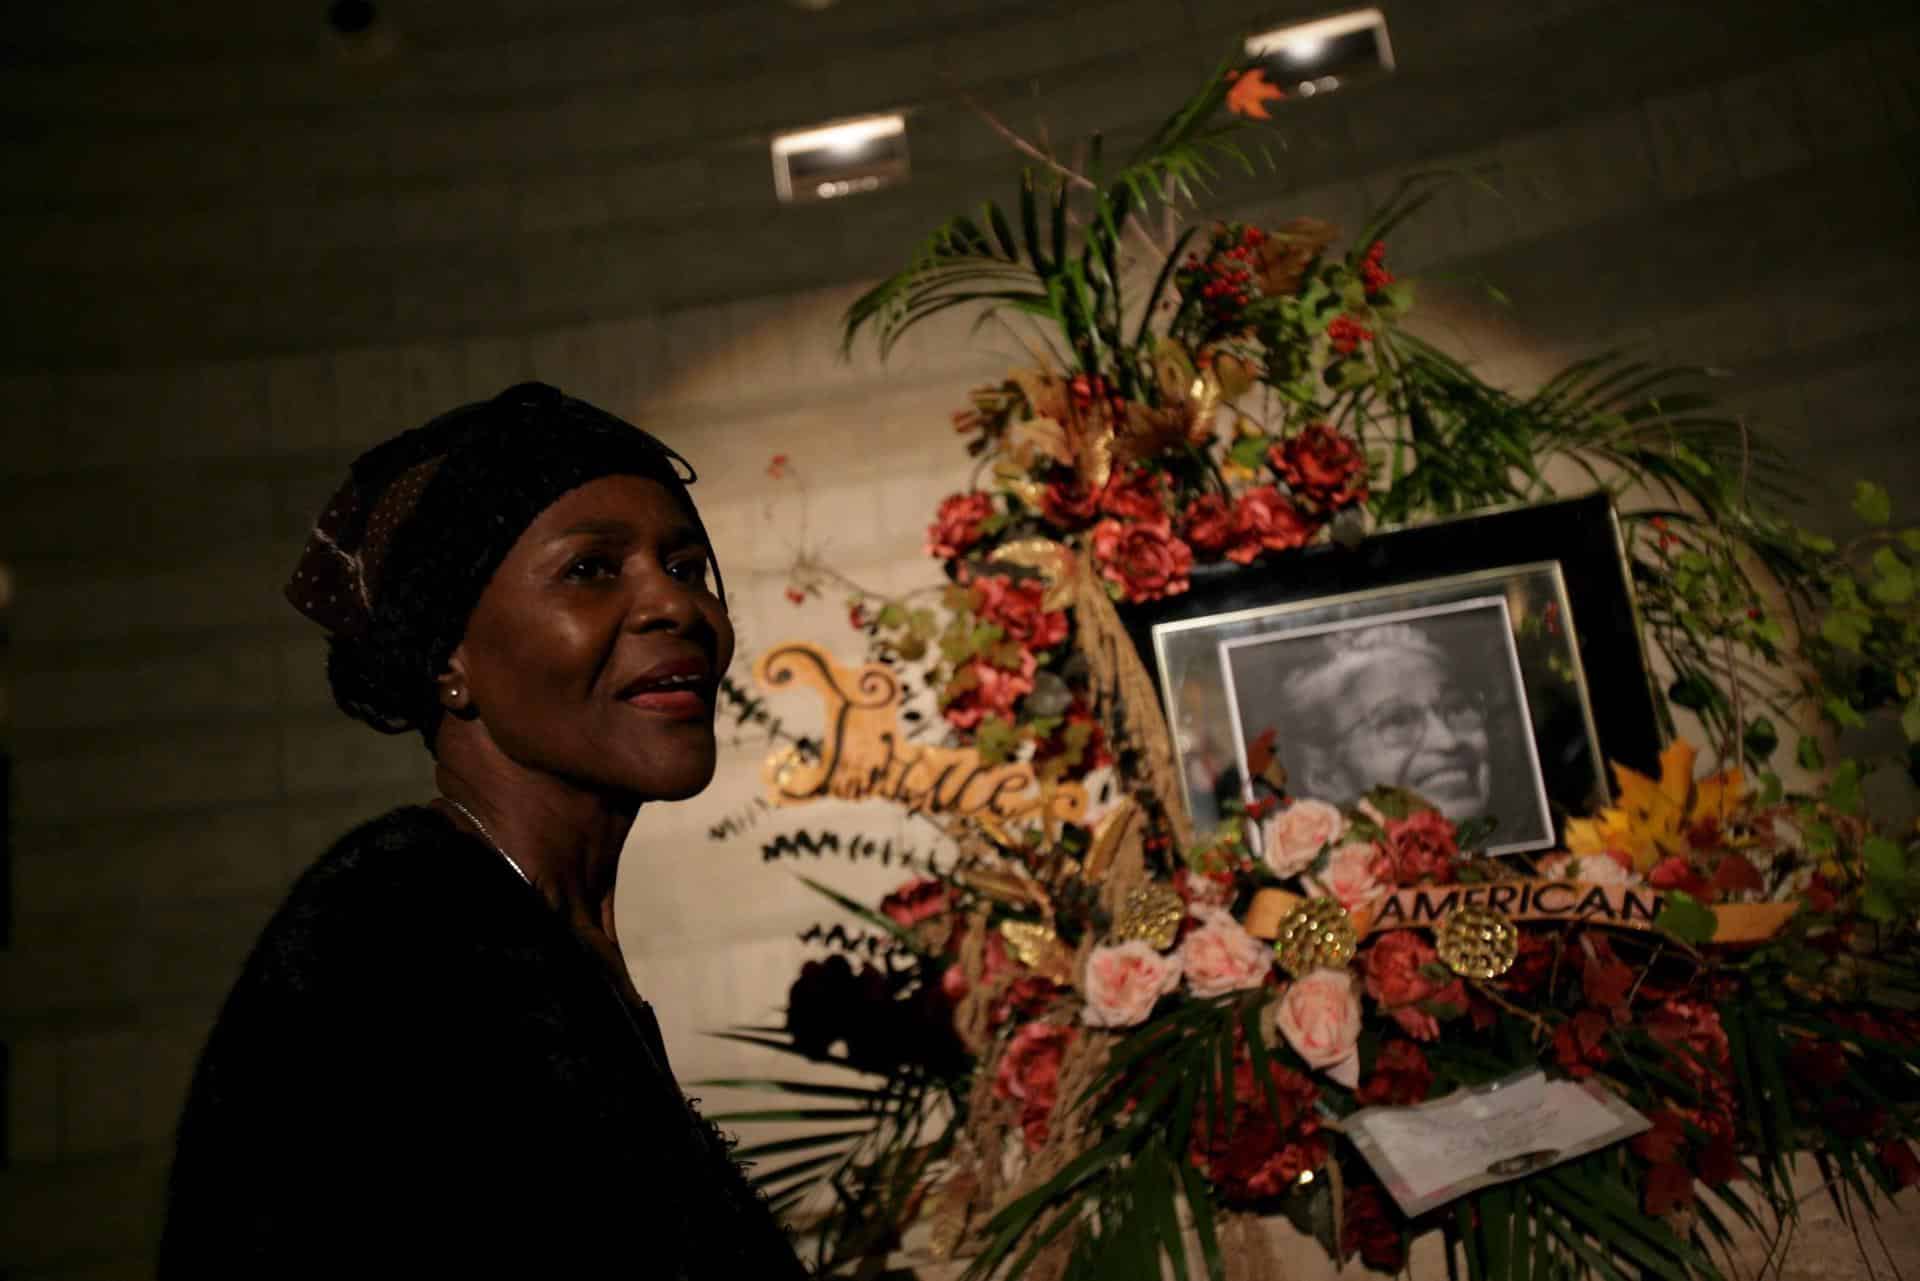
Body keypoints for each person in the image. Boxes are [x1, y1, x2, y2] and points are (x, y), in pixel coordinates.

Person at [160, 383, 809, 1278]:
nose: (675, 606)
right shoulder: (387, 956)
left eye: (688, 565)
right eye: (591, 568)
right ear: (448, 658)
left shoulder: (531, 932)